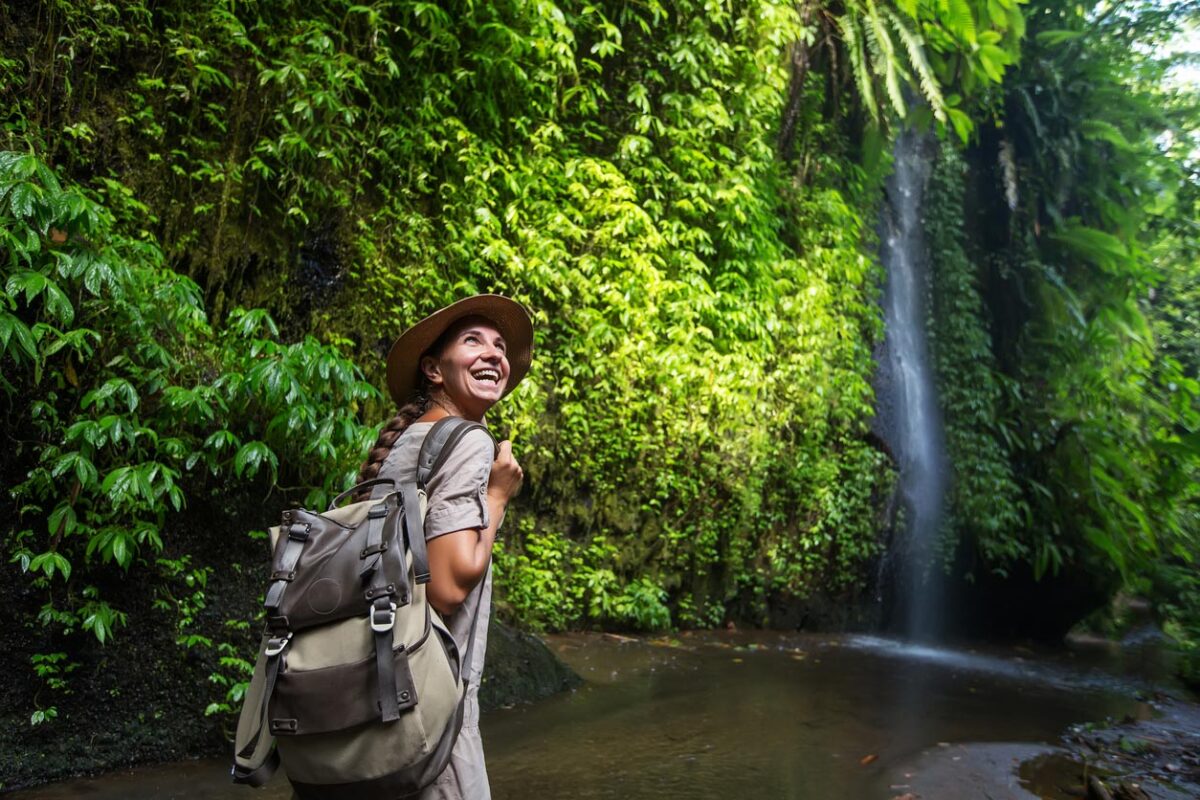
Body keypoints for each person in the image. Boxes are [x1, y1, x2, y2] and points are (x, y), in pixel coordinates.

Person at [354, 294, 532, 800]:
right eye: (473, 341)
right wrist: (497, 496)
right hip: (429, 707)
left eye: (500, 347)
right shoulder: (470, 442)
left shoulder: (408, 438)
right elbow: (449, 587)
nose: (495, 354)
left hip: (376, 692)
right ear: (433, 369)